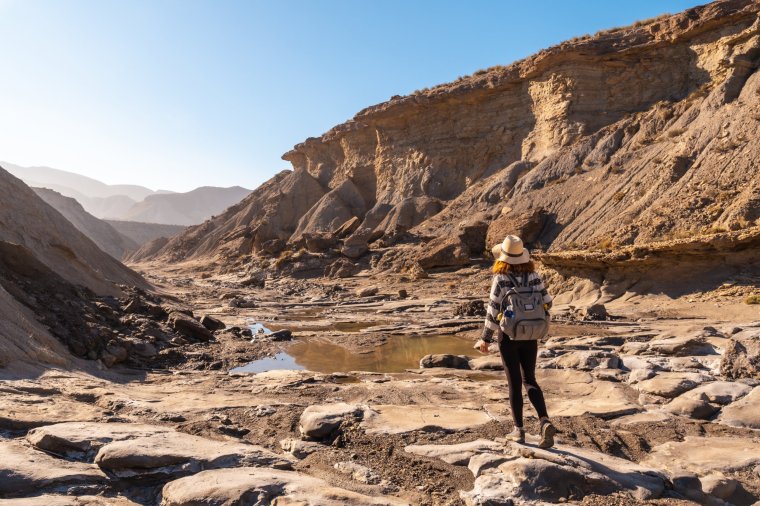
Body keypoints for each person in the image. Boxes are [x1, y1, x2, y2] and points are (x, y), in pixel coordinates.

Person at [477, 234, 557, 448]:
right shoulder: (534, 275)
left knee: (514, 382)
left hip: (510, 336)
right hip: (531, 334)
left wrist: (485, 338)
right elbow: (548, 302)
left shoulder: (501, 279)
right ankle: (544, 420)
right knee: (530, 379)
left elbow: (493, 310)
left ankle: (519, 431)